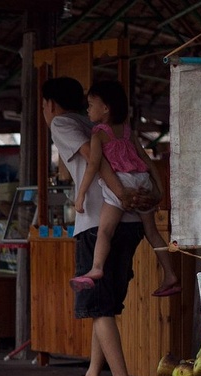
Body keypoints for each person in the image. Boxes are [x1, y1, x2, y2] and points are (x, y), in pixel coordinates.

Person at [42, 77, 144, 376]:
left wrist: (119, 192)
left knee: (98, 306)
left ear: (51, 105)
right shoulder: (100, 121)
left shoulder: (61, 122)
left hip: (98, 222)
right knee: (107, 307)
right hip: (129, 223)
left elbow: (94, 159)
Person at [71, 80, 179, 297]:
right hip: (142, 180)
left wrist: (81, 194)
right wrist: (157, 188)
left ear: (106, 108)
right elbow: (146, 160)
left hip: (121, 183)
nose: (88, 109)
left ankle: (97, 268)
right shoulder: (128, 132)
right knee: (152, 232)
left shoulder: (98, 134)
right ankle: (170, 274)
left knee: (105, 230)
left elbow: (93, 165)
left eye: (91, 104)